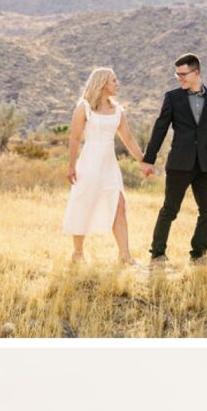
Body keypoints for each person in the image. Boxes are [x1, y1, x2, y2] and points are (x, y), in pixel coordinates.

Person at [141, 54, 207, 267]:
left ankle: (198, 255)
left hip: (205, 165)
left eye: (183, 74)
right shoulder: (173, 97)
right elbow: (160, 129)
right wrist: (149, 159)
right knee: (170, 210)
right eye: (177, 74)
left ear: (196, 72)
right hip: (179, 164)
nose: (179, 78)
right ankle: (157, 254)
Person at [62, 68, 146, 266]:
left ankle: (124, 255)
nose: (117, 83)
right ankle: (78, 253)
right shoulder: (84, 107)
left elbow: (128, 139)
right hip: (89, 163)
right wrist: (71, 166)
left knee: (119, 205)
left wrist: (143, 161)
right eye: (113, 80)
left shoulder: (118, 111)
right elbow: (75, 138)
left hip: (110, 166)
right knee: (84, 204)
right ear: (102, 83)